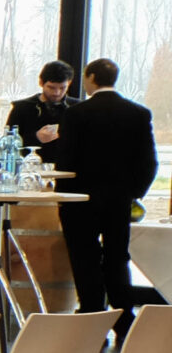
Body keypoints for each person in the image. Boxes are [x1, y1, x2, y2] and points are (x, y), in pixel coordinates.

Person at [38, 57, 155, 328]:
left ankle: (92, 313)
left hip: (80, 199)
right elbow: (148, 161)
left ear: (90, 78)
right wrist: (134, 193)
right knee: (117, 255)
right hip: (118, 199)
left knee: (84, 257)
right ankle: (123, 315)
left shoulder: (77, 114)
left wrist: (62, 197)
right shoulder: (138, 113)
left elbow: (66, 159)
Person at [6, 60, 74, 159]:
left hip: (67, 168)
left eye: (62, 88)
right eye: (51, 87)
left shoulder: (77, 108)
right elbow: (8, 144)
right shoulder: (22, 108)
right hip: (31, 167)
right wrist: (36, 138)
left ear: (69, 83)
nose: (57, 93)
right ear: (41, 82)